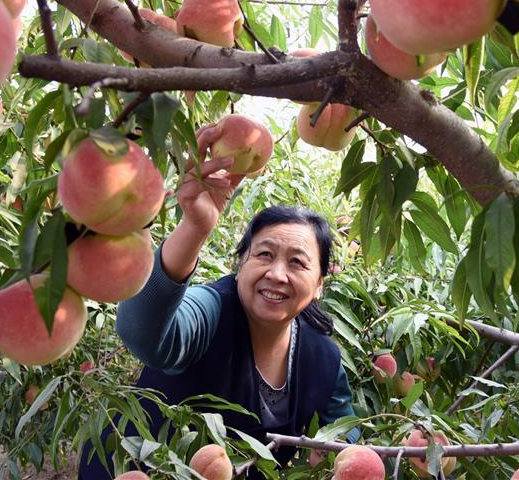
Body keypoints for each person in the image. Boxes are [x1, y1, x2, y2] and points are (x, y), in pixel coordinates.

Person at [78, 123, 359, 479]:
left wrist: (336, 453)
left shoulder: (323, 357)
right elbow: (143, 335)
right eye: (264, 254)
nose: (276, 273)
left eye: (297, 262)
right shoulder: (212, 311)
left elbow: (344, 429)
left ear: (319, 284)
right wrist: (194, 228)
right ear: (241, 266)